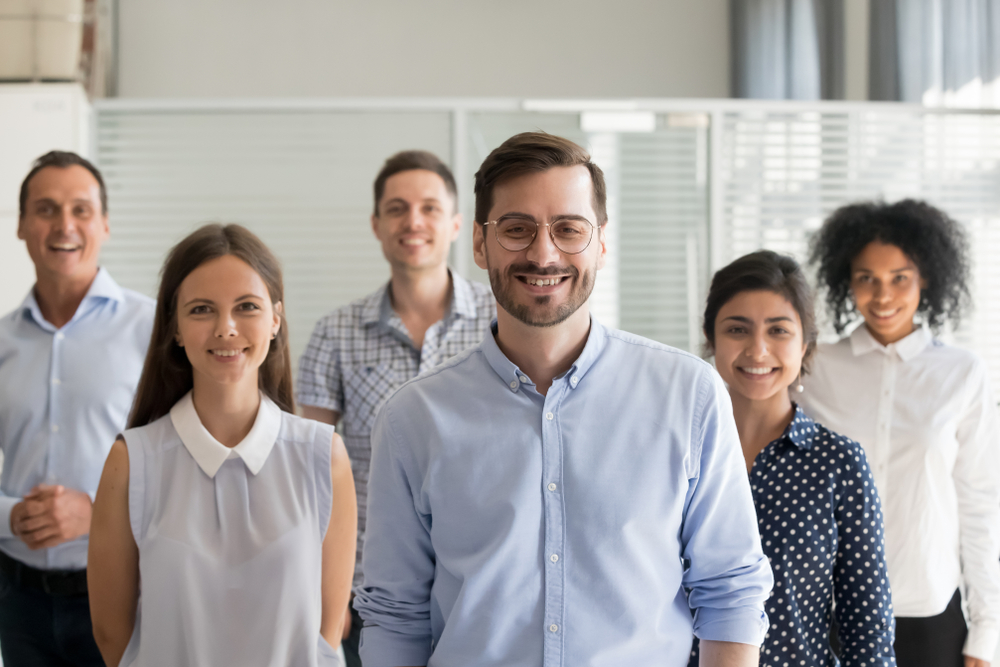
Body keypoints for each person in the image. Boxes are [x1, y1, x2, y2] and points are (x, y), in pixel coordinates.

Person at [354, 132, 773, 667]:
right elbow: (395, 616)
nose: (543, 252)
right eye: (517, 229)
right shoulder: (412, 420)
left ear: (600, 242)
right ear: (480, 244)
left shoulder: (689, 395)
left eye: (568, 229)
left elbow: (730, 591)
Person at [87, 224, 357, 666]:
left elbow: (325, 637)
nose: (226, 328)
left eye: (246, 307)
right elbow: (112, 635)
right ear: (174, 327)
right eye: (201, 310)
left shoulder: (323, 456)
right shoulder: (132, 462)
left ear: (275, 320)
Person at [297, 150, 495, 665]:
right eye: (397, 208)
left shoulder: (503, 322)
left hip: (481, 582)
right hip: (371, 589)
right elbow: (310, 476)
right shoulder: (335, 333)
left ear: (456, 224)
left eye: (430, 208)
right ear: (376, 225)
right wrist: (325, 588)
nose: (413, 221)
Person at [800, 200, 1000, 667]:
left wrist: (988, 631)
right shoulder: (814, 367)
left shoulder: (963, 372)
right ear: (847, 279)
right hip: (831, 609)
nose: (882, 295)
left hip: (928, 610)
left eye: (899, 278)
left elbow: (979, 502)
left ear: (926, 277)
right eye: (866, 277)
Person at [695, 250, 894, 666]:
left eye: (779, 331)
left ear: (805, 345)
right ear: (711, 338)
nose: (758, 350)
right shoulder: (677, 452)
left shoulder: (839, 463)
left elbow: (867, 627)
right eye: (738, 329)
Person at [0, 151, 154, 666]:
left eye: (81, 209)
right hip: (16, 599)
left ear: (105, 224)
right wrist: (12, 516)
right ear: (21, 225)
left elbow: (185, 466)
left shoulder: (153, 330)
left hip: (122, 590)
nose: (64, 224)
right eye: (45, 209)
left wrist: (97, 511)